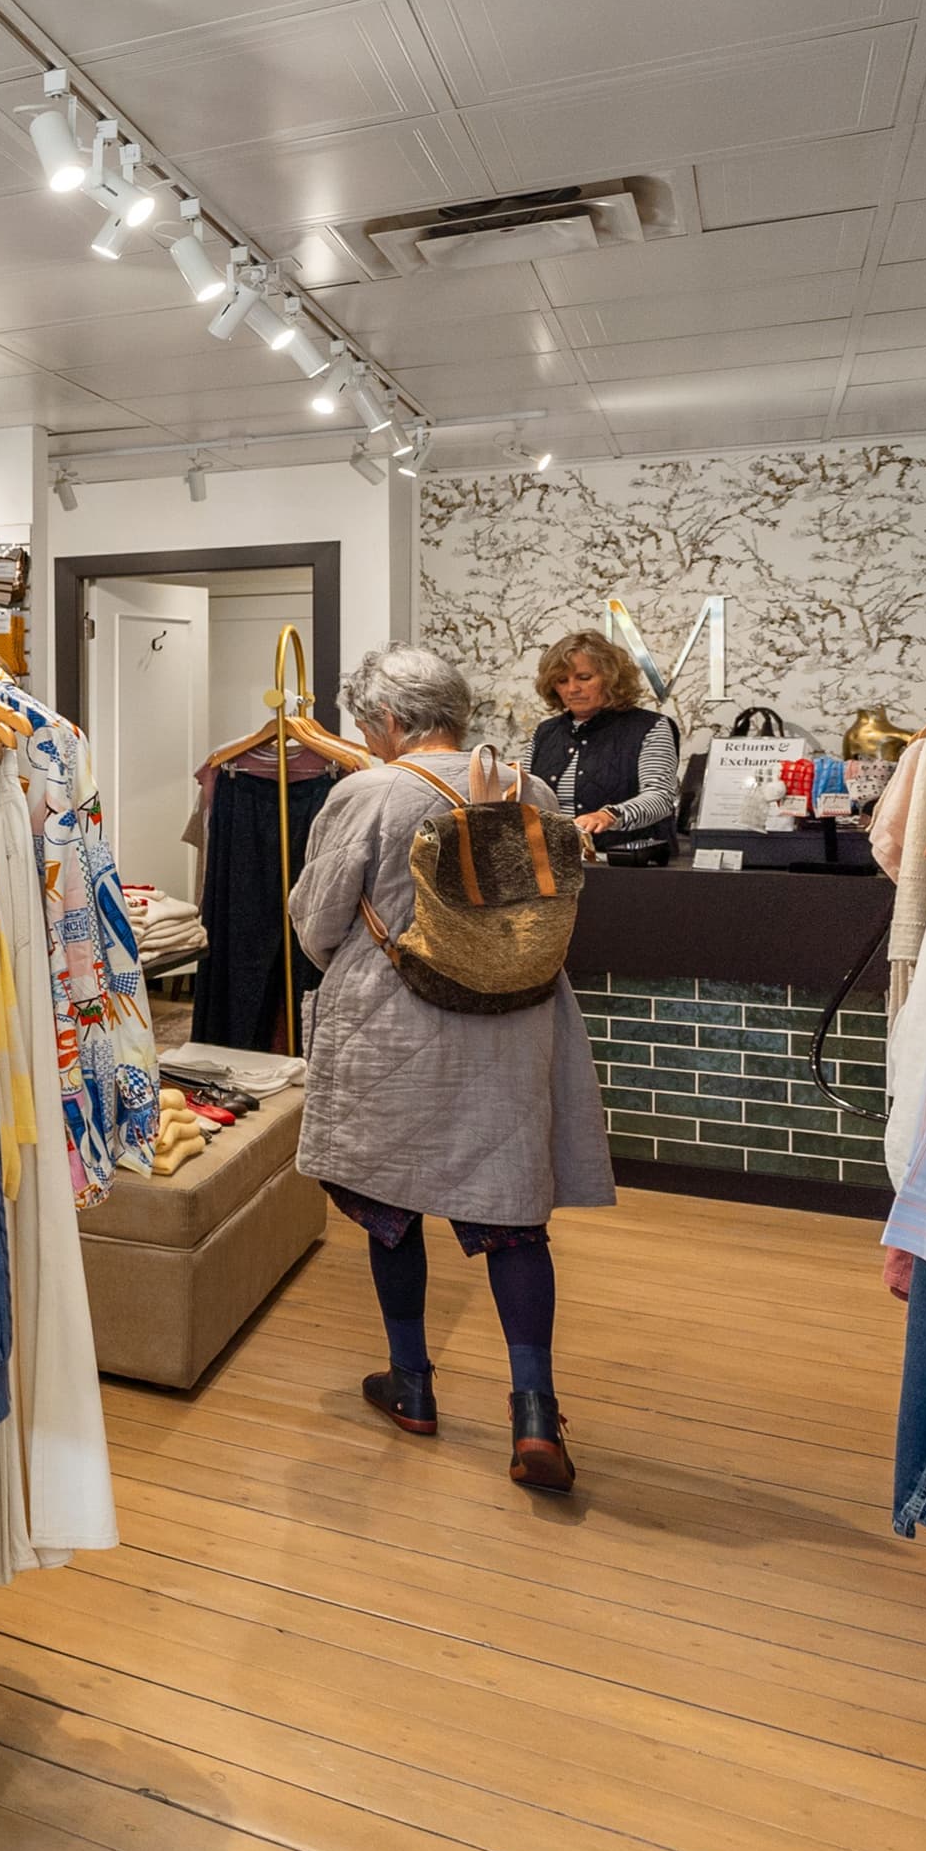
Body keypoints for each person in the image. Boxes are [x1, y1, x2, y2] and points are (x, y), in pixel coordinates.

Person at [297, 646, 616, 1491]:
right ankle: (536, 1414)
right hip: (517, 1021)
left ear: (392, 721)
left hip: (397, 1023)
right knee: (512, 1215)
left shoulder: (365, 793)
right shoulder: (530, 789)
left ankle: (411, 1387)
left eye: (369, 725)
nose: (368, 739)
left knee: (388, 1202)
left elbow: (320, 920)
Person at [528, 630, 678, 859]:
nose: (572, 688)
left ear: (612, 679)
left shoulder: (651, 727)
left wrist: (610, 816)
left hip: (629, 869)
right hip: (556, 867)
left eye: (584, 678)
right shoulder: (544, 732)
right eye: (561, 681)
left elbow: (660, 797)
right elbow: (526, 794)